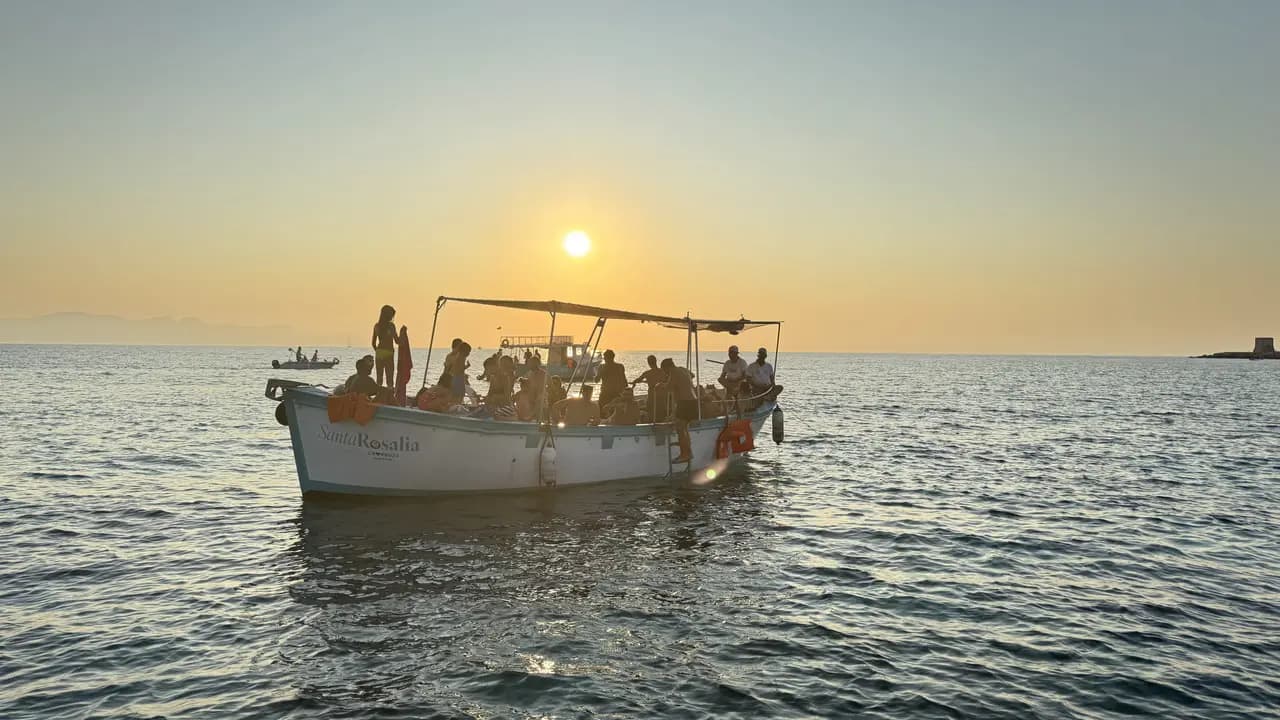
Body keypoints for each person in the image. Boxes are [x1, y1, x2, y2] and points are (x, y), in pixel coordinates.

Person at [662, 358, 697, 462]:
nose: (665, 373)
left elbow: (668, 387)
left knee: (680, 429)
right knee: (684, 428)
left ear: (667, 367)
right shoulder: (683, 369)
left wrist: (661, 385)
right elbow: (692, 375)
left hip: (685, 402)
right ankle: (688, 451)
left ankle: (685, 454)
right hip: (693, 401)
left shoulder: (673, 372)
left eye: (665, 370)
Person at [372, 305, 397, 387]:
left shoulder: (377, 326)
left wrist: (378, 351)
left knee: (379, 378)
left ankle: (378, 395)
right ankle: (390, 397)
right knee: (389, 378)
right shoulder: (391, 326)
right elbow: (397, 341)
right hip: (389, 353)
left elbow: (373, 343)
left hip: (379, 353)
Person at [597, 349, 627, 415]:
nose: (604, 359)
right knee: (614, 413)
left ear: (607, 358)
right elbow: (624, 382)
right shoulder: (620, 366)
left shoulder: (602, 367)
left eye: (604, 357)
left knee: (603, 412)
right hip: (616, 394)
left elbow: (596, 380)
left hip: (608, 394)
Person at [394, 326, 413, 406]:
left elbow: (398, 341)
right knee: (400, 384)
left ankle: (400, 400)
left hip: (402, 366)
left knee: (401, 384)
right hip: (402, 366)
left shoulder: (403, 341)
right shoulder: (403, 341)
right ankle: (399, 399)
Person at [526, 355, 548, 420]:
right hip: (532, 395)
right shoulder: (529, 374)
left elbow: (550, 385)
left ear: (536, 364)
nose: (528, 364)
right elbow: (528, 384)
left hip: (541, 395)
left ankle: (534, 417)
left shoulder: (543, 373)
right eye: (529, 363)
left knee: (540, 398)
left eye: (530, 363)